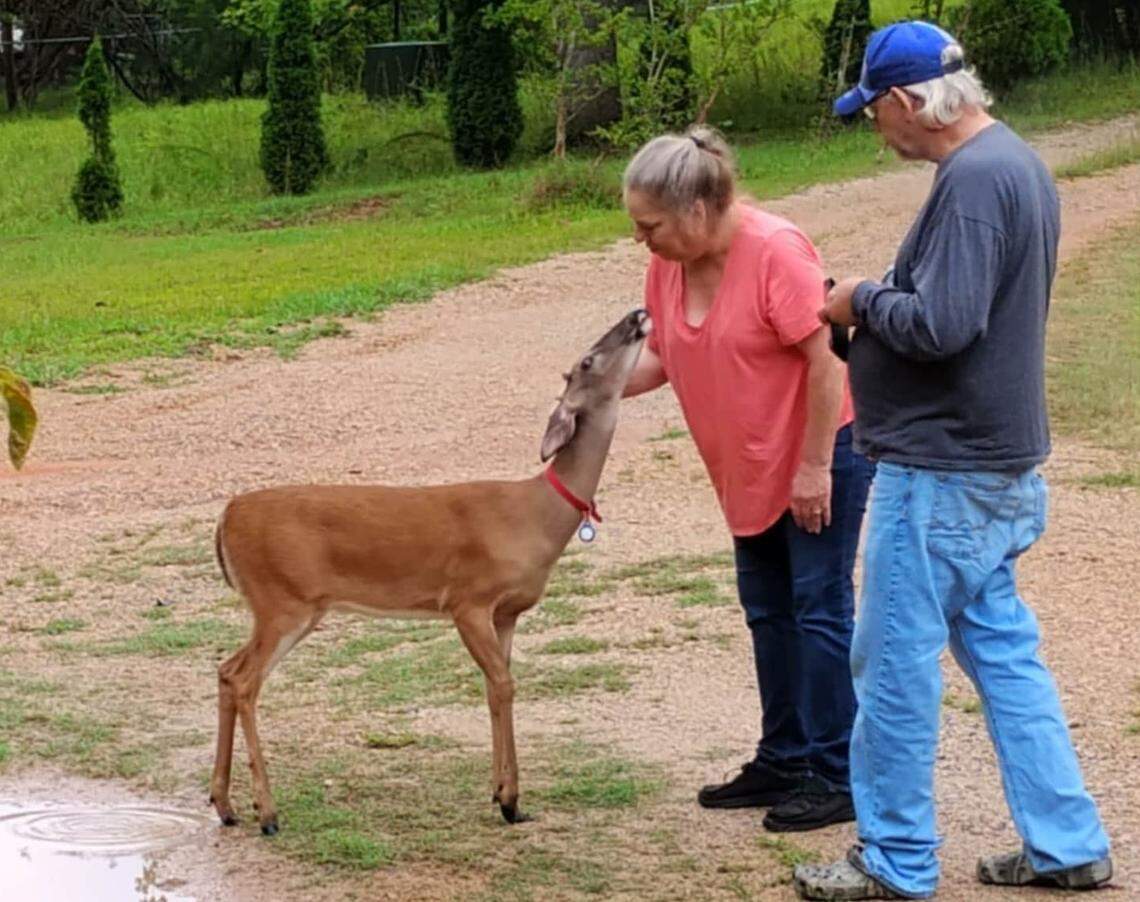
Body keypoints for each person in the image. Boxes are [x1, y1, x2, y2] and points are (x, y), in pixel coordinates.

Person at [794, 20, 1113, 900]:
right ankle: (1068, 844)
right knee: (1006, 657)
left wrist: (859, 301)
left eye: (872, 112)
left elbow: (942, 323)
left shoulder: (972, 183)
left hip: (941, 477)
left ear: (905, 103)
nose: (874, 128)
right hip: (992, 468)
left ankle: (894, 863)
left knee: (892, 669)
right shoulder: (1010, 163)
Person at [621, 126, 876, 833]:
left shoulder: (774, 251)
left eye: (651, 226)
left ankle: (838, 774)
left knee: (819, 609)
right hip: (748, 465)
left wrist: (816, 466)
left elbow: (828, 359)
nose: (643, 241)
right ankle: (784, 756)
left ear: (697, 210)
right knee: (768, 610)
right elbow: (664, 356)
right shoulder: (670, 265)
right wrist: (595, 389)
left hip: (817, 454)